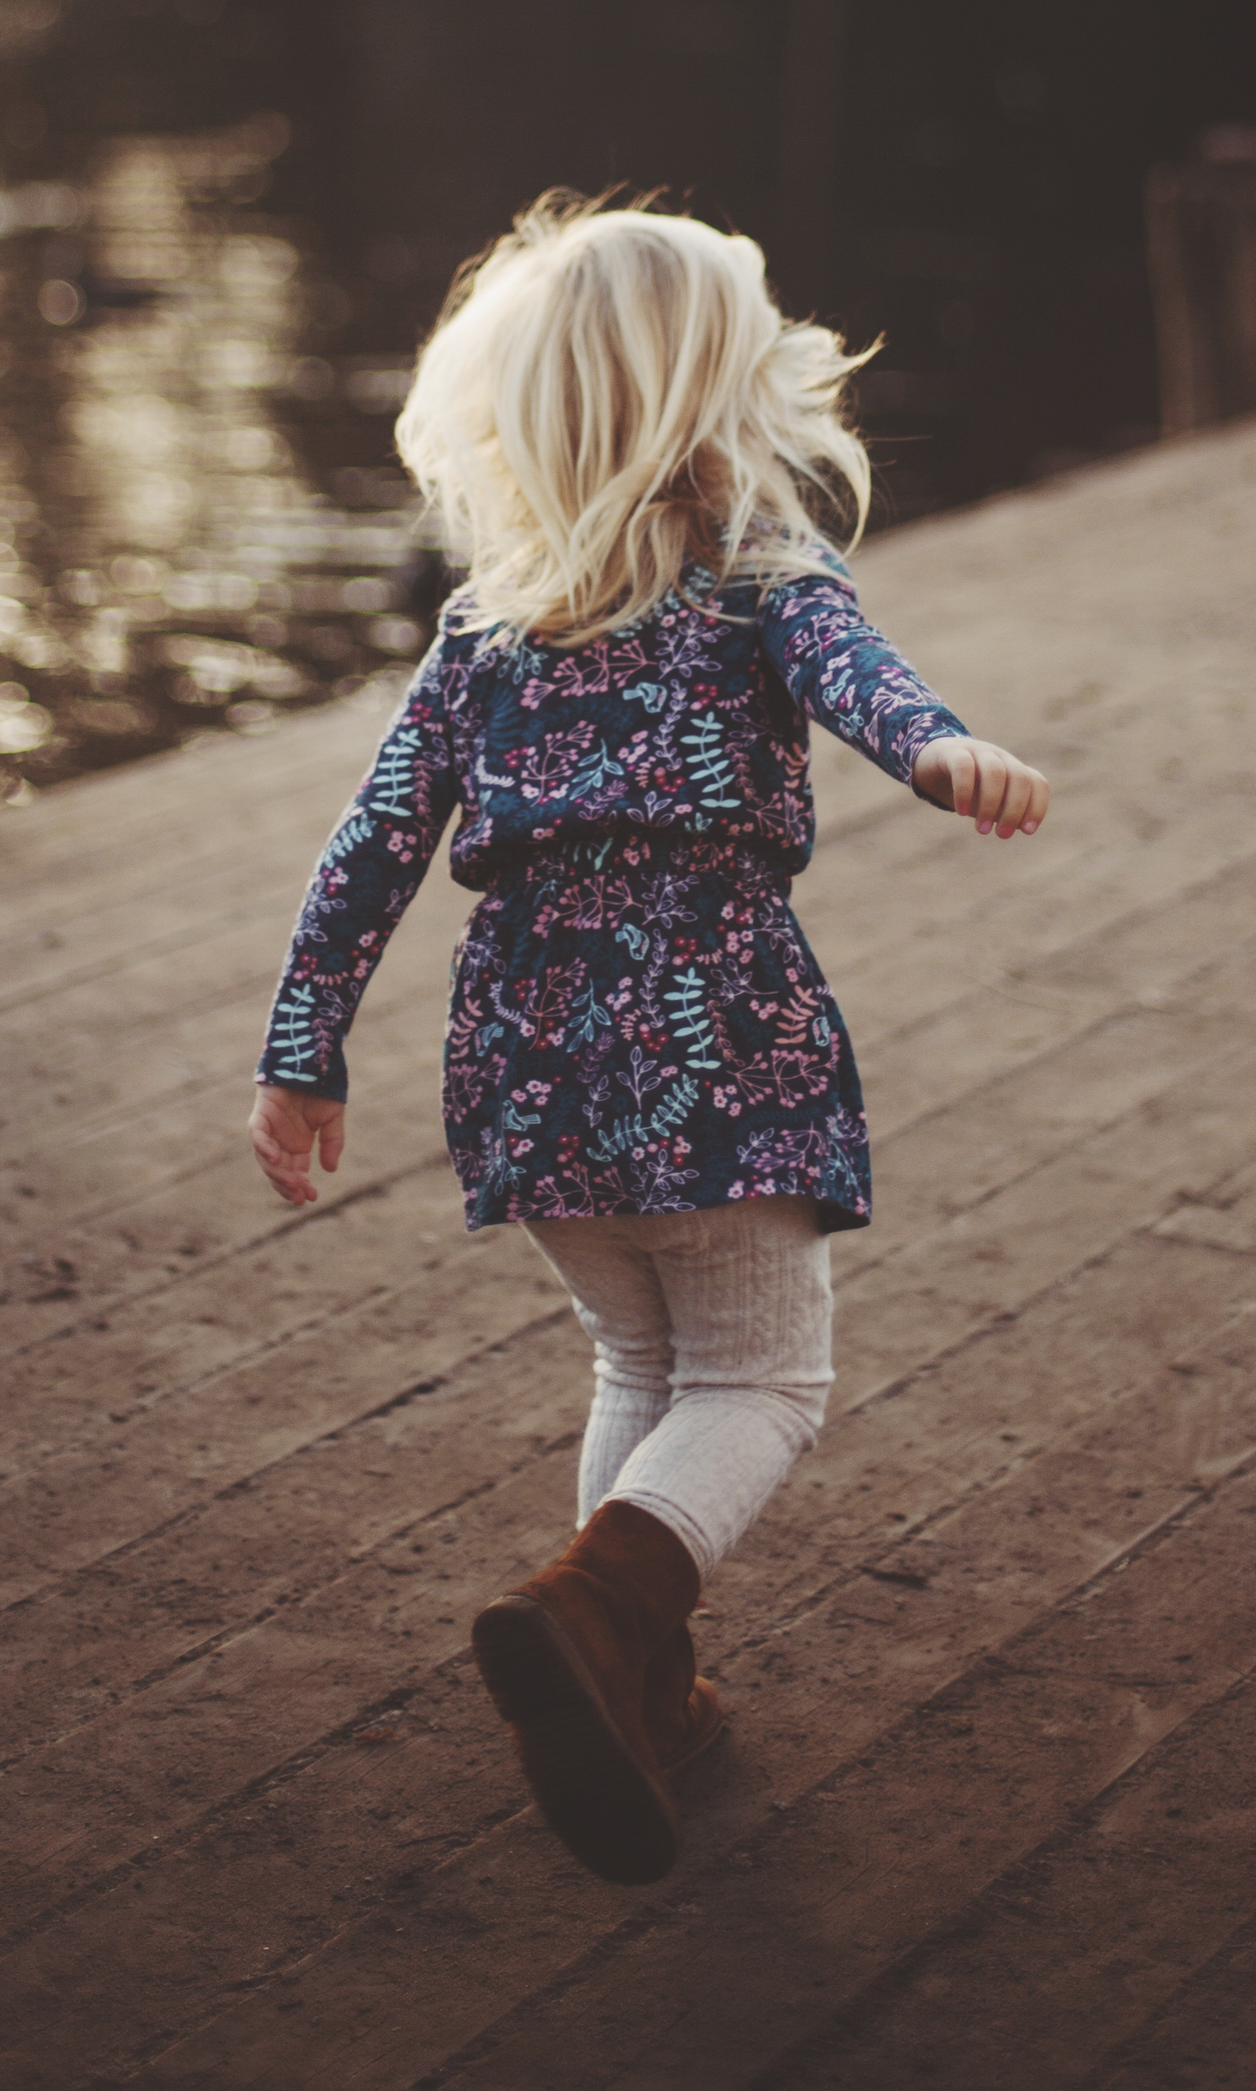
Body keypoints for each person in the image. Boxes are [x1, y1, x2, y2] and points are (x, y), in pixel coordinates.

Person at [247, 198, 1049, 1885]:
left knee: (641, 1364)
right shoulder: (765, 571)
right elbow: (865, 676)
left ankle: (639, 1691)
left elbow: (371, 841)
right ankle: (596, 1611)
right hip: (708, 1042)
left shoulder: (486, 624)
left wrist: (303, 1049)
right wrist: (945, 750)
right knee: (762, 1373)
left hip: (525, 1060)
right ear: (719, 393)